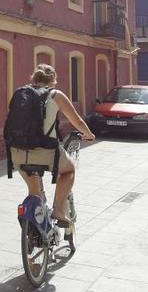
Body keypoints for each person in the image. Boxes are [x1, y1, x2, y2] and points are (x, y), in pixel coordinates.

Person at [9, 64, 95, 225]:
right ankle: (59, 210)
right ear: (53, 80)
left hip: (17, 152)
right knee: (69, 170)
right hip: (46, 151)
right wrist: (89, 135)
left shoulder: (22, 94)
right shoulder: (56, 95)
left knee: (35, 194)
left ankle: (35, 230)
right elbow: (77, 121)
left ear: (33, 78)